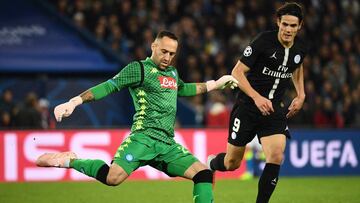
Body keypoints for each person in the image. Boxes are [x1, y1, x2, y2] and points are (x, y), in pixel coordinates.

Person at [36, 31, 238, 203]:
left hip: (167, 144)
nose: (168, 57)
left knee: (203, 174)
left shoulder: (173, 73)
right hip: (142, 139)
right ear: (153, 46)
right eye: (164, 51)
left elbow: (186, 89)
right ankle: (70, 160)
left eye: (172, 54)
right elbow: (109, 86)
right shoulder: (138, 69)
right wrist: (75, 101)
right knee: (112, 178)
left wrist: (218, 83)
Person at [208, 3, 307, 203]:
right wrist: (256, 97)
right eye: (285, 24)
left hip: (274, 109)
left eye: (292, 26)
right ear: (278, 23)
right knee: (232, 162)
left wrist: (301, 94)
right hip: (247, 107)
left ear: (299, 26)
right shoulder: (263, 41)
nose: (288, 29)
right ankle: (211, 162)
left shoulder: (300, 48)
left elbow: (296, 67)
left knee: (276, 155)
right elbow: (237, 72)